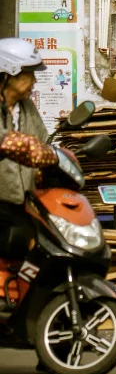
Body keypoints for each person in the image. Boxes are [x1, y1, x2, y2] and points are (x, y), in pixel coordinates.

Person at [0, 38, 52, 260]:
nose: (34, 80)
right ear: (7, 74)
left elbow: (43, 141)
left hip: (23, 206)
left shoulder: (27, 107)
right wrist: (21, 144)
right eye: (28, 74)